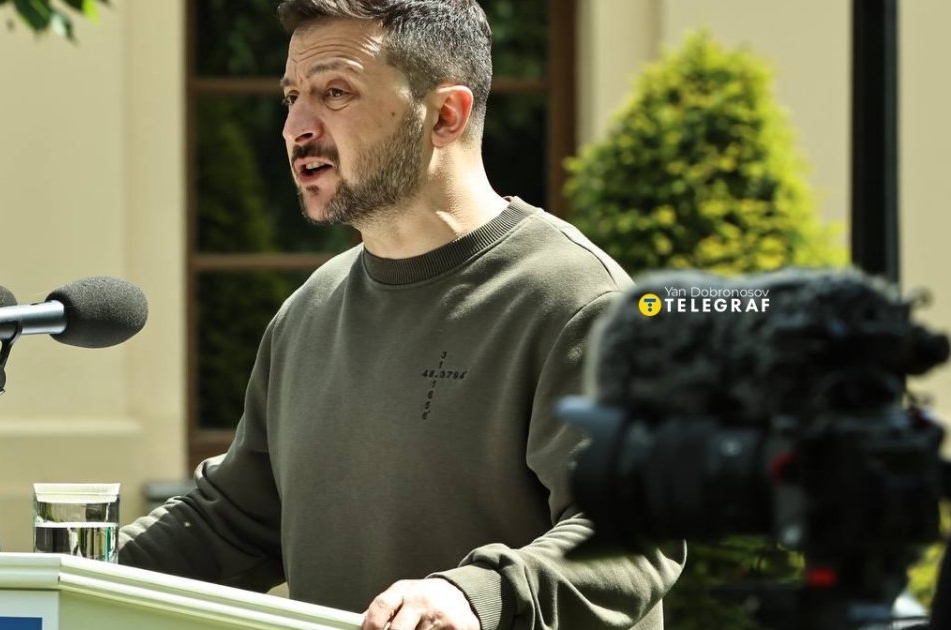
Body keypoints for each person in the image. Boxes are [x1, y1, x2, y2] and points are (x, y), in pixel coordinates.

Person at [119, 1, 684, 628]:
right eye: (292, 97)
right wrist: (60, 570)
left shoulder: (579, 299)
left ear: (445, 115)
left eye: (335, 92)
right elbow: (233, 522)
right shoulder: (310, 310)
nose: (295, 127)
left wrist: (475, 597)